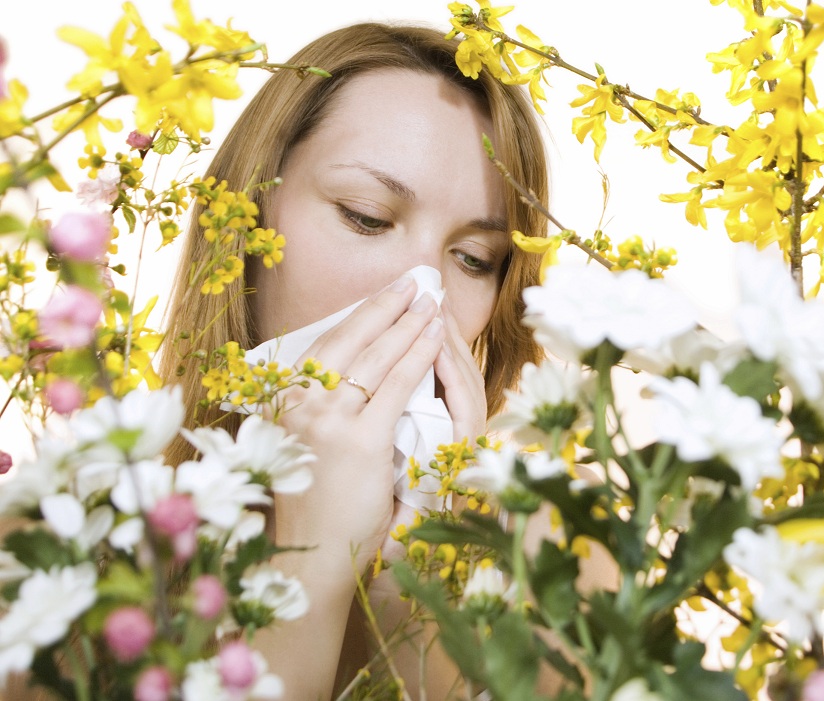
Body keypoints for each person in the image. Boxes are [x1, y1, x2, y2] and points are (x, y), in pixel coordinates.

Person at [159, 22, 550, 701]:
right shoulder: (57, 552)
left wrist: (413, 599)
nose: (421, 294)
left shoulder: (563, 563)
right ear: (249, 217)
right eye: (366, 217)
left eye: (473, 260)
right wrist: (311, 574)